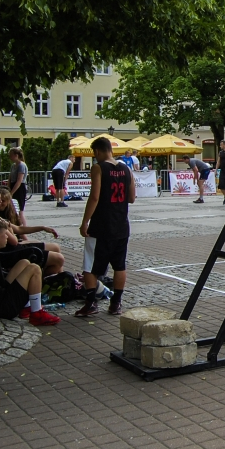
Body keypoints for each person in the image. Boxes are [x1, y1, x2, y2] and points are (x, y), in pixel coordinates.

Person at [77, 136, 135, 317]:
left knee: (90, 266)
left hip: (101, 225)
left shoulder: (98, 168)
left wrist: (85, 221)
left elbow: (94, 197)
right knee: (119, 266)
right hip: (121, 224)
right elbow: (132, 198)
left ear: (97, 152)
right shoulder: (126, 169)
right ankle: (116, 303)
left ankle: (91, 302)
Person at [0, 217, 59, 326]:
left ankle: (26, 307)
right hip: (0, 307)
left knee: (24, 262)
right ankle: (37, 313)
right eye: (5, 234)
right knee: (35, 268)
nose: (7, 237)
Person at [7, 147, 29, 226]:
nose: (10, 157)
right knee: (13, 209)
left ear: (16, 155)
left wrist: (12, 192)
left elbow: (19, 180)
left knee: (20, 210)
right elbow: (10, 178)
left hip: (19, 188)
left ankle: (24, 227)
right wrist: (8, 188)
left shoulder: (21, 165)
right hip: (13, 185)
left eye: (11, 155)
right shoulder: (13, 166)